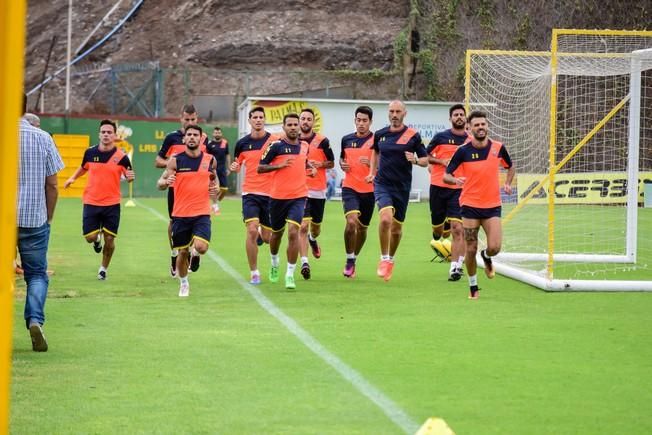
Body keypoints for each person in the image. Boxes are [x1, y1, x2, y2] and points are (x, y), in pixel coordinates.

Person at [443, 110, 515, 299]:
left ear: (487, 125)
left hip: (492, 206)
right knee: (470, 248)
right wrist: (454, 181)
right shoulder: (463, 151)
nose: (481, 127)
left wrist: (507, 183)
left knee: (495, 247)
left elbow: (510, 166)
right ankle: (473, 286)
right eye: (476, 125)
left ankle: (487, 256)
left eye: (483, 124)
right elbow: (446, 174)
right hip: (470, 207)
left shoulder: (498, 148)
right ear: (469, 127)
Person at [17, 94, 64, 352]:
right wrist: (48, 216)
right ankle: (35, 320)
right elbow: (53, 185)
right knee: (36, 274)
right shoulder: (43, 138)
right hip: (34, 218)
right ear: (26, 108)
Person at [64, 120, 135, 280]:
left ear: (115, 136)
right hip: (91, 201)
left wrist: (131, 178)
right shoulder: (90, 153)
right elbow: (84, 167)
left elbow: (129, 176)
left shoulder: (122, 157)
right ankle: (96, 240)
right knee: (90, 237)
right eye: (103, 132)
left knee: (110, 238)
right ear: (99, 134)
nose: (106, 135)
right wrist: (72, 178)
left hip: (112, 204)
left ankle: (103, 269)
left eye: (109, 132)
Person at [365, 100, 428, 281]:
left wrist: (414, 160)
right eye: (391, 111)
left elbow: (425, 160)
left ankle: (391, 259)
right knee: (385, 219)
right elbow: (375, 152)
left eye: (398, 111)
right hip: (383, 184)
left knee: (397, 228)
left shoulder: (413, 136)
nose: (394, 114)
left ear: (404, 113)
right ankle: (383, 258)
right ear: (388, 113)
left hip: (402, 187)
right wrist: (372, 172)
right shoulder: (380, 134)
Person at [157, 125, 219, 297]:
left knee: (202, 247)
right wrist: (166, 181)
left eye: (195, 135)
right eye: (189, 135)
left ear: (201, 139)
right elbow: (160, 184)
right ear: (184, 139)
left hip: (201, 213)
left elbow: (215, 181)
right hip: (180, 214)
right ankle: (184, 283)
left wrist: (216, 191)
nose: (192, 137)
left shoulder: (210, 160)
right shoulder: (175, 161)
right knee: (182, 252)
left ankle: (196, 254)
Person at [257, 113, 316, 290]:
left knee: (293, 232)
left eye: (295, 124)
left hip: (298, 197)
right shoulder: (275, 146)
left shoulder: (305, 146)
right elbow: (260, 168)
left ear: (299, 127)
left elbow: (303, 163)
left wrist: (310, 168)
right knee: (276, 234)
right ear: (283, 127)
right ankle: (274, 262)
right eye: (289, 124)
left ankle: (290, 274)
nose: (293, 127)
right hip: (277, 198)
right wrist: (279, 166)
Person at [155, 104, 207, 278]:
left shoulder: (203, 137)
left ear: (197, 119)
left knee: (198, 224)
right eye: (187, 119)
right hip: (176, 189)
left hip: (198, 189)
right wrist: (173, 162)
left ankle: (195, 252)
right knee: (173, 223)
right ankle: (174, 254)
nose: (189, 122)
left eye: (192, 119)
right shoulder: (172, 138)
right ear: (181, 119)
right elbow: (158, 161)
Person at [230, 107, 278, 285]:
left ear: (264, 120)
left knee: (267, 237)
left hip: (270, 194)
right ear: (249, 121)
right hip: (250, 192)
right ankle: (254, 272)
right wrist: (233, 168)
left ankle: (271, 254)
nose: (258, 120)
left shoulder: (274, 141)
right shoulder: (242, 143)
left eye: (261, 117)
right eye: (255, 117)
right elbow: (236, 165)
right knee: (251, 230)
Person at [427, 104, 469, 281]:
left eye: (461, 114)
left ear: (465, 118)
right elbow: (425, 156)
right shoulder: (440, 137)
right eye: (455, 115)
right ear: (450, 118)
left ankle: (455, 267)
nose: (459, 117)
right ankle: (438, 231)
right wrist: (440, 161)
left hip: (459, 189)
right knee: (439, 230)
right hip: (438, 186)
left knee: (458, 228)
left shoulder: (471, 140)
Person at [297, 108, 335, 280]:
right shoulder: (293, 141)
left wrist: (318, 164)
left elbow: (331, 163)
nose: (305, 121)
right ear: (299, 121)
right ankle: (305, 262)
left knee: (316, 228)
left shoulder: (322, 141)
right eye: (303, 118)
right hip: (299, 189)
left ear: (313, 122)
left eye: (308, 119)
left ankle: (313, 239)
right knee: (302, 226)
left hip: (318, 190)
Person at [339, 105, 375, 278]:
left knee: (361, 229)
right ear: (355, 121)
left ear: (370, 122)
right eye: (358, 120)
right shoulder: (346, 139)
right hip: (350, 187)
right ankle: (349, 259)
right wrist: (341, 164)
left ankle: (355, 258)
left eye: (365, 121)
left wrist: (371, 166)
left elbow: (384, 166)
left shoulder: (377, 141)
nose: (361, 124)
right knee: (351, 222)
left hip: (370, 190)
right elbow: (342, 158)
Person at [206, 126, 231, 215]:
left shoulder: (225, 143)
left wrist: (229, 167)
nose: (217, 134)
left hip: (222, 169)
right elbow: (206, 156)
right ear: (213, 134)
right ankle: (215, 205)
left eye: (219, 132)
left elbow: (227, 155)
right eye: (216, 132)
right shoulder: (209, 144)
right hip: (212, 169)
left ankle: (215, 203)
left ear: (221, 134)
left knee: (224, 189)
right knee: (214, 188)